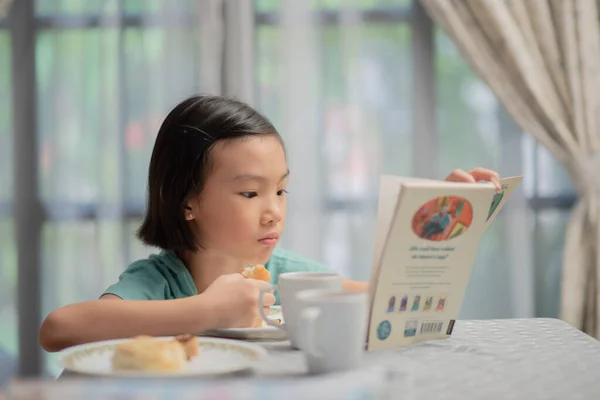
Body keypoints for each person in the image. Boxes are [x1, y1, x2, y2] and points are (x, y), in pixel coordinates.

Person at [39, 95, 501, 352]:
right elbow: (59, 329)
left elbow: (399, 303)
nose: (274, 210)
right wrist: (208, 311)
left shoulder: (293, 277)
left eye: (280, 190)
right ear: (186, 203)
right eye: (249, 192)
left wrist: (437, 230)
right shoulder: (159, 282)